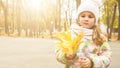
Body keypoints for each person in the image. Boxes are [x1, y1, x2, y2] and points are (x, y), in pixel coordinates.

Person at [55, 0, 112, 68]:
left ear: (95, 20)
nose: (86, 19)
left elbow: (107, 58)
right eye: (83, 16)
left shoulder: (99, 37)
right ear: (78, 19)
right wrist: (66, 55)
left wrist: (92, 62)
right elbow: (58, 52)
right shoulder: (70, 35)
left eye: (90, 16)